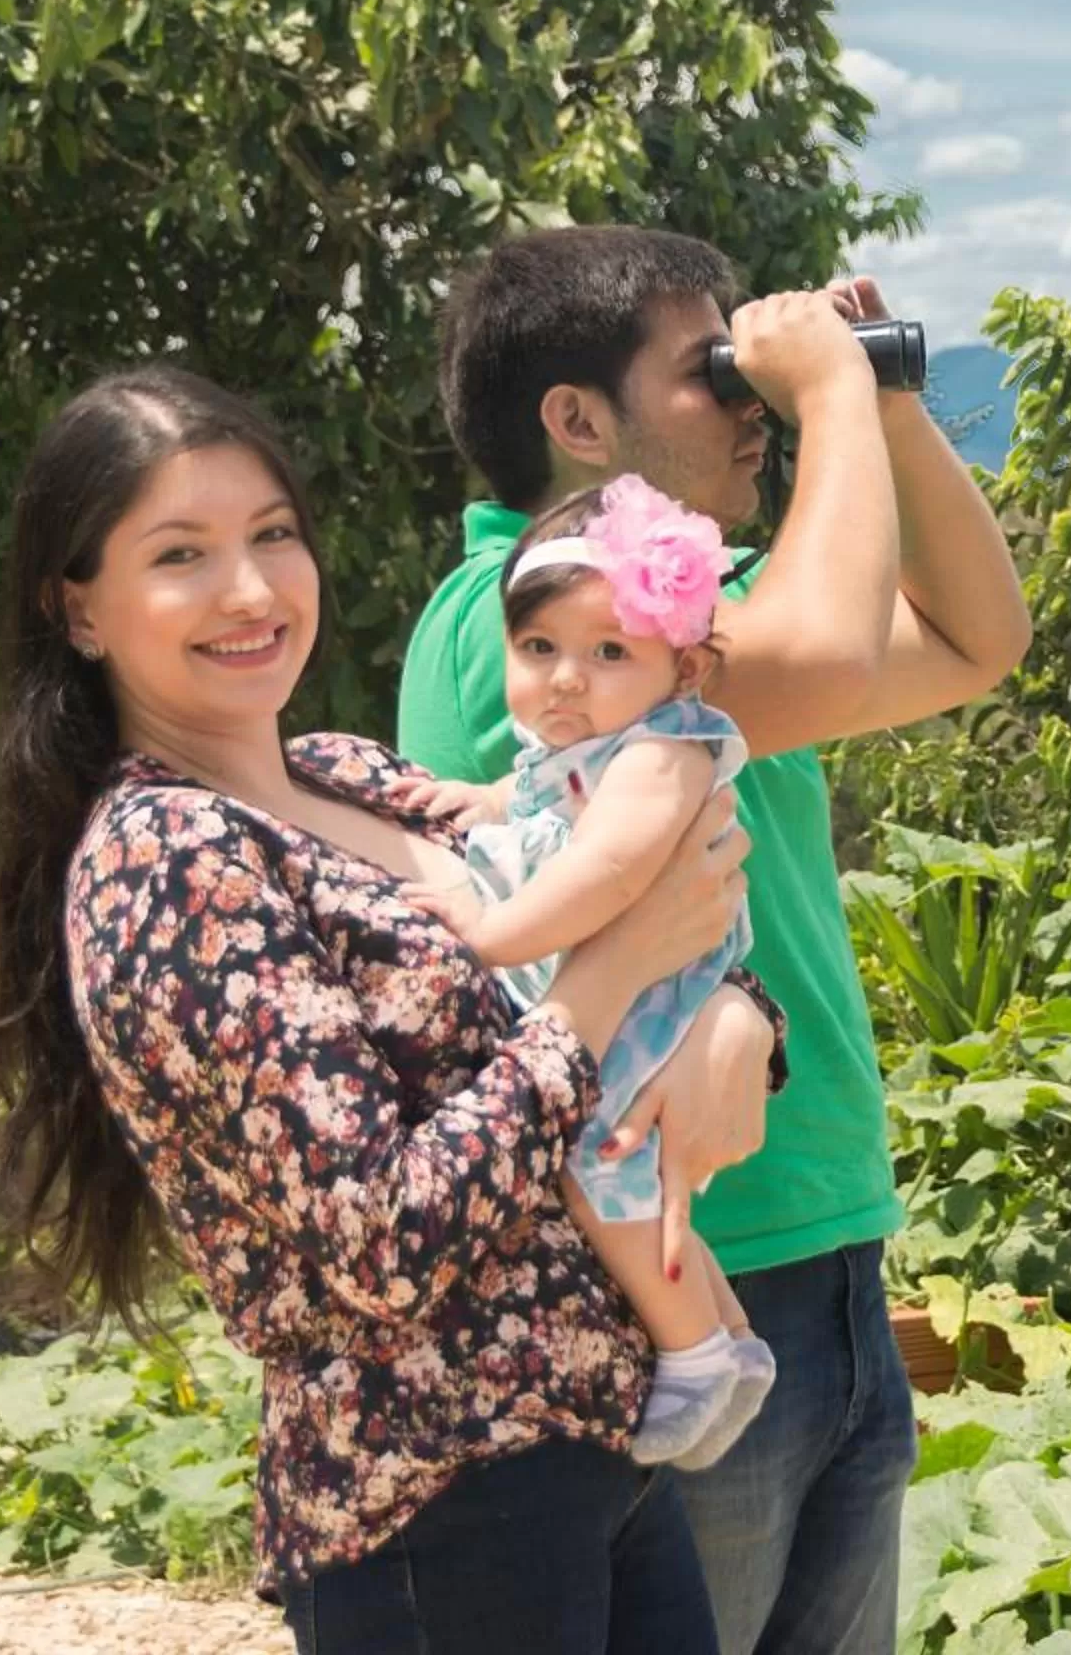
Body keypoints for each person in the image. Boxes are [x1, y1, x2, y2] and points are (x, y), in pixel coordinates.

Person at [0, 366, 786, 1653]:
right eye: (181, 554)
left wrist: (739, 1019)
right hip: (433, 1501)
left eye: (273, 535)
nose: (250, 591)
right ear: (79, 608)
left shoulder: (352, 775)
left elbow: (628, 937)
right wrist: (609, 981)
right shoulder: (172, 864)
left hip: (600, 1446)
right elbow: (380, 1237)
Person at [399, 227, 1030, 1655]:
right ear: (576, 421)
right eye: (709, 375)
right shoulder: (526, 632)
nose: (745, 400)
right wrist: (824, 399)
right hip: (679, 1279)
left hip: (824, 1254)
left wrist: (889, 405)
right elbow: (839, 647)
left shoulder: (684, 640)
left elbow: (979, 637)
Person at [399, 476, 774, 1470]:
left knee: (601, 1147)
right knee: (626, 1161)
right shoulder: (588, 744)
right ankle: (728, 1334)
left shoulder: (663, 752)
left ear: (681, 666)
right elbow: (546, 810)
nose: (566, 677)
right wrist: (481, 801)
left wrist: (487, 934)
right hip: (646, 975)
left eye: (610, 651)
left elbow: (608, 866)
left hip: (667, 982)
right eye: (539, 648)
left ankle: (692, 1352)